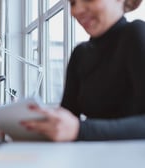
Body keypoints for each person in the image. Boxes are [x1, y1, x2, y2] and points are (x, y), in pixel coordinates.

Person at [21, 0, 145, 141]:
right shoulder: (80, 54)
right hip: (93, 157)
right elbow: (67, 118)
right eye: (72, 3)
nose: (77, 10)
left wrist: (80, 130)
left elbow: (76, 129)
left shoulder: (137, 33)